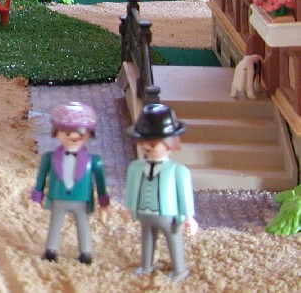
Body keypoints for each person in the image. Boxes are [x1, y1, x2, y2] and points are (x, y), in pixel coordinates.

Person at [124, 102, 197, 283]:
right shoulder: (136, 167)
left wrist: (188, 216)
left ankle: (179, 269)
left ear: (170, 144)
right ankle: (146, 266)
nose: (147, 146)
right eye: (144, 142)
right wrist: (129, 208)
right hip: (145, 212)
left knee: (173, 239)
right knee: (147, 239)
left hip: (168, 214)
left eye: (153, 143)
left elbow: (184, 195)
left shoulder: (178, 170)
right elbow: (132, 189)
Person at [32, 102, 110, 265]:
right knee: (55, 223)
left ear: (89, 134)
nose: (73, 136)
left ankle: (85, 252)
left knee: (83, 225)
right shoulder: (49, 158)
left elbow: (101, 183)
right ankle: (51, 250)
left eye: (80, 132)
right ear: (56, 132)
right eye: (66, 132)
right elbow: (41, 179)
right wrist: (36, 198)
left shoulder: (94, 161)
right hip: (58, 197)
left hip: (81, 199)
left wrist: (104, 204)